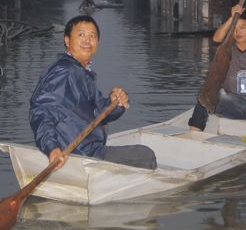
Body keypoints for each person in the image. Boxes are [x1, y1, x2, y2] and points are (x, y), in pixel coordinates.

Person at [30, 15, 157, 169]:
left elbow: (99, 113)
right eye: (81, 35)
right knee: (145, 155)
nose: (87, 40)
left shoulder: (81, 72)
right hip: (81, 153)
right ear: (67, 40)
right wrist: (52, 148)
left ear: (97, 42)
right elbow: (42, 110)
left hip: (85, 149)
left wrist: (116, 103)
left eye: (92, 36)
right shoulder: (64, 71)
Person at [189, 0, 246, 141]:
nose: (238, 32)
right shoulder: (227, 49)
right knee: (205, 99)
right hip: (231, 102)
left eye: (242, 28)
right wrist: (231, 19)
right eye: (235, 28)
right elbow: (215, 40)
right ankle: (193, 135)